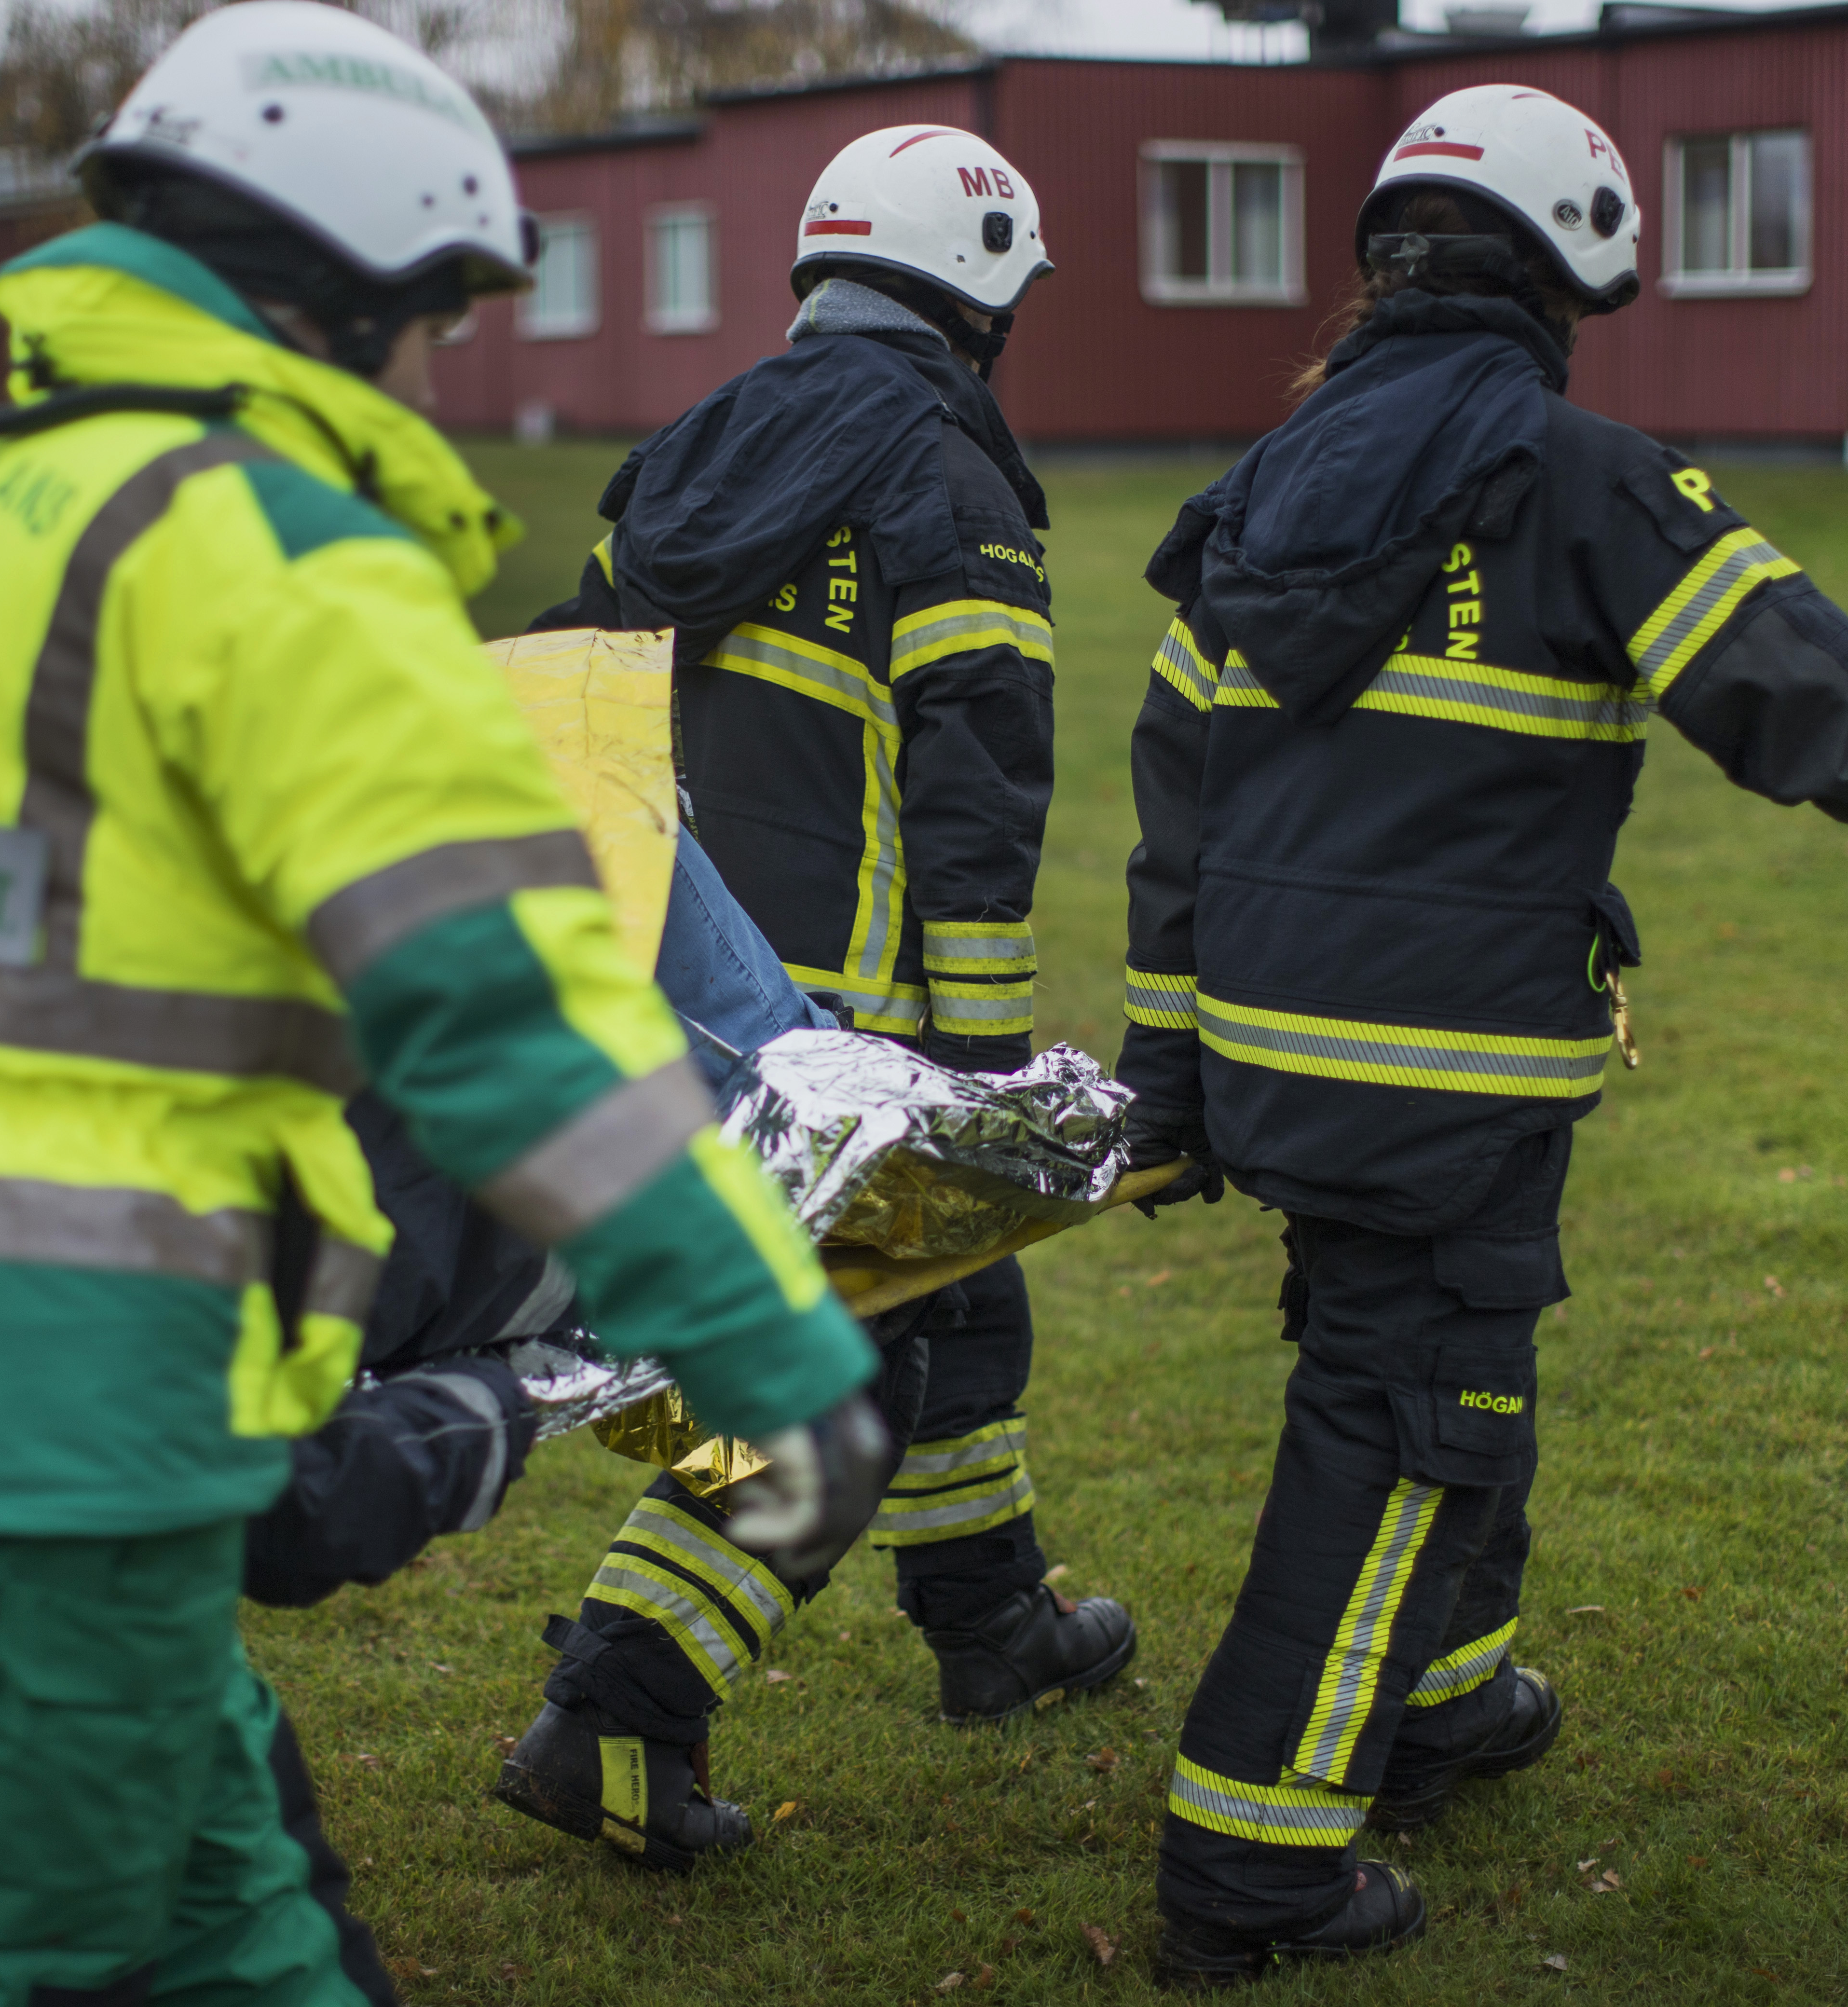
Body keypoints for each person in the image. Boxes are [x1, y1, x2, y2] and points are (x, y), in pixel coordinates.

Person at [0, 7, 884, 2001]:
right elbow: (516, 1030)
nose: (436, 371)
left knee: (252, 1923)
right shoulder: (279, 560)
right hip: (69, 1405)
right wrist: (779, 1355)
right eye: (432, 318)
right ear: (342, 299)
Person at [1117, 84, 1848, 1988]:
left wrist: (1171, 1080)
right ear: (1566, 266)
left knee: (1454, 1358)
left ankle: (1438, 1699)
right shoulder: (1587, 477)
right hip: (1444, 1074)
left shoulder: (1261, 485)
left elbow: (1178, 805)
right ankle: (1253, 1859)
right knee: (1414, 1415)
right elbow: (1823, 710)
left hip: (1278, 1052)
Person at [495, 121, 1134, 1874]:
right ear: (982, 280)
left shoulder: (694, 447)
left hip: (678, 998)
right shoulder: (947, 474)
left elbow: (569, 698)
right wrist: (985, 1063)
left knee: (945, 1311)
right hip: (847, 1031)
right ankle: (612, 1720)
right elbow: (982, 783)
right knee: (827, 1378)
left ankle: (992, 1621)